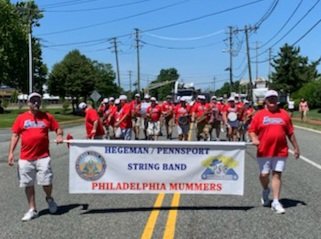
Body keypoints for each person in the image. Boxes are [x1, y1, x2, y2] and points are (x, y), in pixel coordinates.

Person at [8, 92, 64, 221]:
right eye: (33, 100)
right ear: (28, 103)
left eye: (38, 100)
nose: (36, 103)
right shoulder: (21, 118)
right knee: (28, 183)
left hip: (43, 156)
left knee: (47, 181)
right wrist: (11, 153)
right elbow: (15, 135)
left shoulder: (47, 117)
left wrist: (59, 135)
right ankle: (32, 209)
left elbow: (58, 128)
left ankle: (49, 198)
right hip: (26, 158)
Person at [248, 90, 300, 214]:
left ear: (277, 100)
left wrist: (296, 147)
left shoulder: (284, 114)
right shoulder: (259, 115)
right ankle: (266, 190)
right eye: (269, 98)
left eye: (274, 98)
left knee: (277, 174)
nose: (272, 101)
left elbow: (290, 133)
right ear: (265, 101)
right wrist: (254, 138)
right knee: (264, 175)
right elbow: (252, 130)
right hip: (264, 150)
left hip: (280, 150)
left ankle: (276, 201)